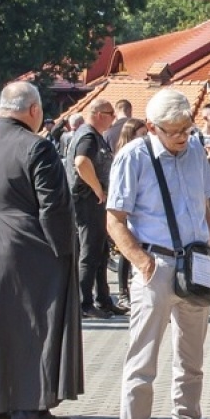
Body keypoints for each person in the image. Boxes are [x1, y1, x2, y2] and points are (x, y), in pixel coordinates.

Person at [105, 88, 210, 419]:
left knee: (191, 362)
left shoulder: (195, 151)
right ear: (152, 128)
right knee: (143, 361)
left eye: (187, 129)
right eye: (174, 131)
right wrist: (140, 261)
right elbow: (114, 219)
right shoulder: (133, 156)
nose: (182, 137)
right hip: (156, 265)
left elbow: (205, 205)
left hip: (196, 266)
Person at [0, 81, 83, 419]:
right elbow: (53, 206)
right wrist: (65, 251)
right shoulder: (37, 148)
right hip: (28, 243)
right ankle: (29, 407)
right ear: (34, 111)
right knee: (33, 323)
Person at [69, 99, 121, 318]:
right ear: (99, 114)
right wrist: (98, 189)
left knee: (100, 252)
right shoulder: (88, 136)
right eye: (111, 114)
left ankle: (103, 300)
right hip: (87, 200)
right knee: (90, 252)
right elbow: (81, 162)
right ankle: (84, 303)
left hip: (91, 201)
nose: (113, 119)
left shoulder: (90, 134)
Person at [108, 117, 149, 311]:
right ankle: (123, 293)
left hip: (138, 211)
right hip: (122, 210)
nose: (145, 138)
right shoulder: (125, 156)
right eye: (142, 135)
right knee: (125, 250)